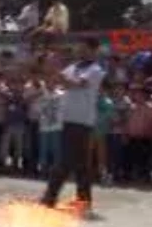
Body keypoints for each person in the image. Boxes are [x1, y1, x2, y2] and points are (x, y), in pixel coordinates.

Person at [42, 39, 105, 211]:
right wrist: (50, 67)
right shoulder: (73, 67)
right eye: (80, 48)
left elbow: (76, 85)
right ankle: (83, 201)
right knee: (81, 164)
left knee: (65, 161)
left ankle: (49, 199)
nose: (80, 52)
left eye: (84, 49)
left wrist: (57, 71)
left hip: (82, 120)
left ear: (94, 51)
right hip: (67, 119)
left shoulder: (95, 70)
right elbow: (55, 83)